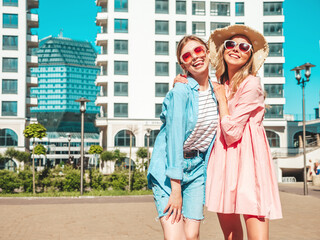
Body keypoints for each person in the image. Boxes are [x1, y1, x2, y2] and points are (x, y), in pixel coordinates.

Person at [175, 25, 283, 240]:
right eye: (231, 44)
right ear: (223, 50)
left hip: (249, 163)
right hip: (223, 161)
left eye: (244, 47)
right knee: (231, 237)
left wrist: (222, 99)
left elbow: (233, 131)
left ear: (250, 55)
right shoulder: (220, 84)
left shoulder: (252, 84)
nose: (236, 49)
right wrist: (182, 81)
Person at [147, 35, 218, 240]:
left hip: (197, 169)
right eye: (187, 55)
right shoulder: (181, 91)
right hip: (169, 171)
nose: (195, 57)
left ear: (207, 52)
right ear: (182, 63)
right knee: (175, 237)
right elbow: (174, 140)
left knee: (193, 235)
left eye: (198, 50)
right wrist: (175, 189)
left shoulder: (218, 92)